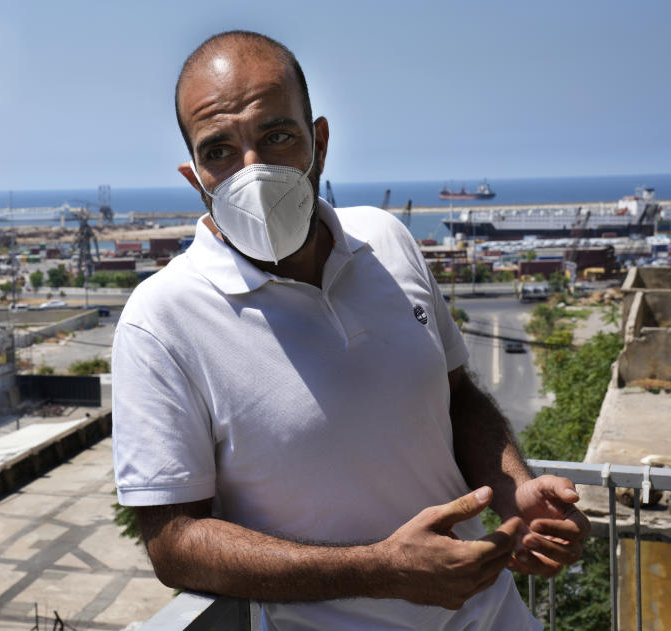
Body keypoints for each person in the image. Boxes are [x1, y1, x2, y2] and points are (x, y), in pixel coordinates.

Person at [112, 30, 589, 630]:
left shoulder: (387, 239)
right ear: (195, 177)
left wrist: (513, 486)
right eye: (219, 152)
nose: (251, 171)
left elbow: (456, 396)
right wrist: (379, 569)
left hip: (492, 613)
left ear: (321, 142)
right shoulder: (160, 320)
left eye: (276, 136)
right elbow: (172, 541)